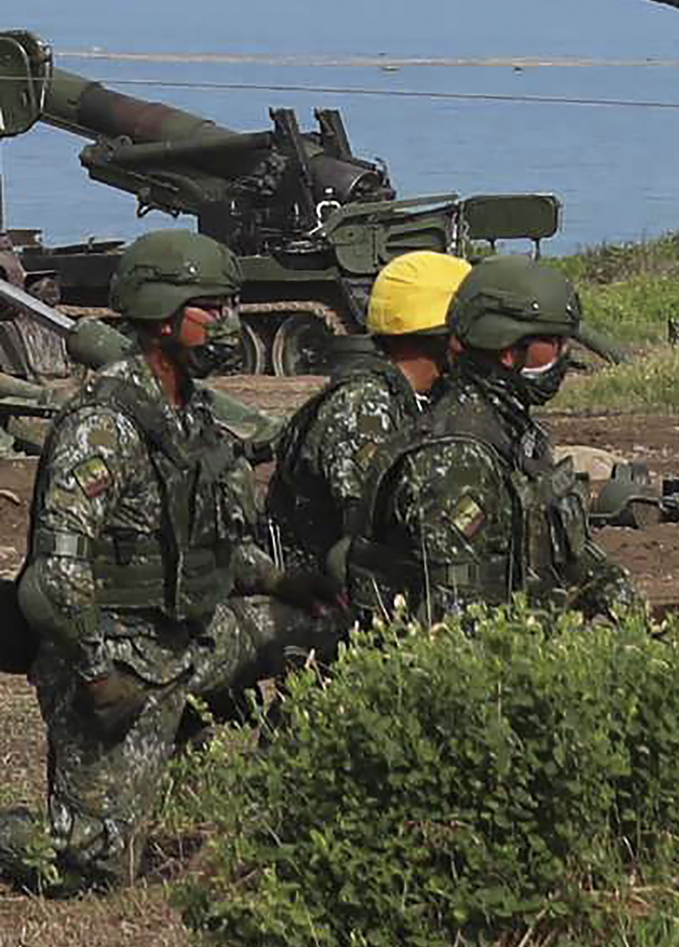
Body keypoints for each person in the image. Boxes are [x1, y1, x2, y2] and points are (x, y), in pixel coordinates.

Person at [3, 233, 339, 891]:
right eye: (211, 308)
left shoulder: (192, 415)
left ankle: (275, 794)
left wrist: (280, 582)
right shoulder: (104, 426)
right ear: (162, 314)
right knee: (90, 870)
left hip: (189, 638)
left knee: (330, 627)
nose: (227, 323)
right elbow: (58, 574)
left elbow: (203, 539)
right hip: (118, 660)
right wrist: (100, 678)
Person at [350, 258, 639, 623]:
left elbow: (578, 561)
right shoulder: (455, 459)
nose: (563, 358)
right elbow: (456, 623)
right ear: (507, 351)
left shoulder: (513, 435)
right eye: (549, 345)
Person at [262, 250, 471, 586]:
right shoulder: (363, 407)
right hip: (316, 593)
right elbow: (371, 528)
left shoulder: (421, 399)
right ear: (443, 333)